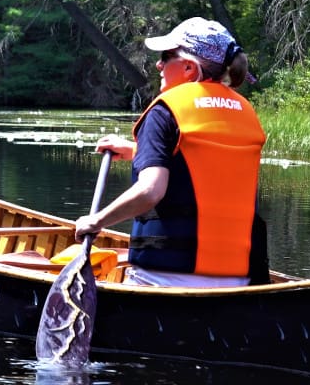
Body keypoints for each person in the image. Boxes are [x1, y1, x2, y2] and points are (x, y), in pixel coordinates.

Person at [74, 17, 269, 287]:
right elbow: (205, 162)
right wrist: (137, 151)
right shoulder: (245, 112)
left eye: (166, 57)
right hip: (238, 281)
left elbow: (150, 192)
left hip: (162, 278)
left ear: (189, 68)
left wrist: (96, 221)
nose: (159, 65)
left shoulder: (165, 111)